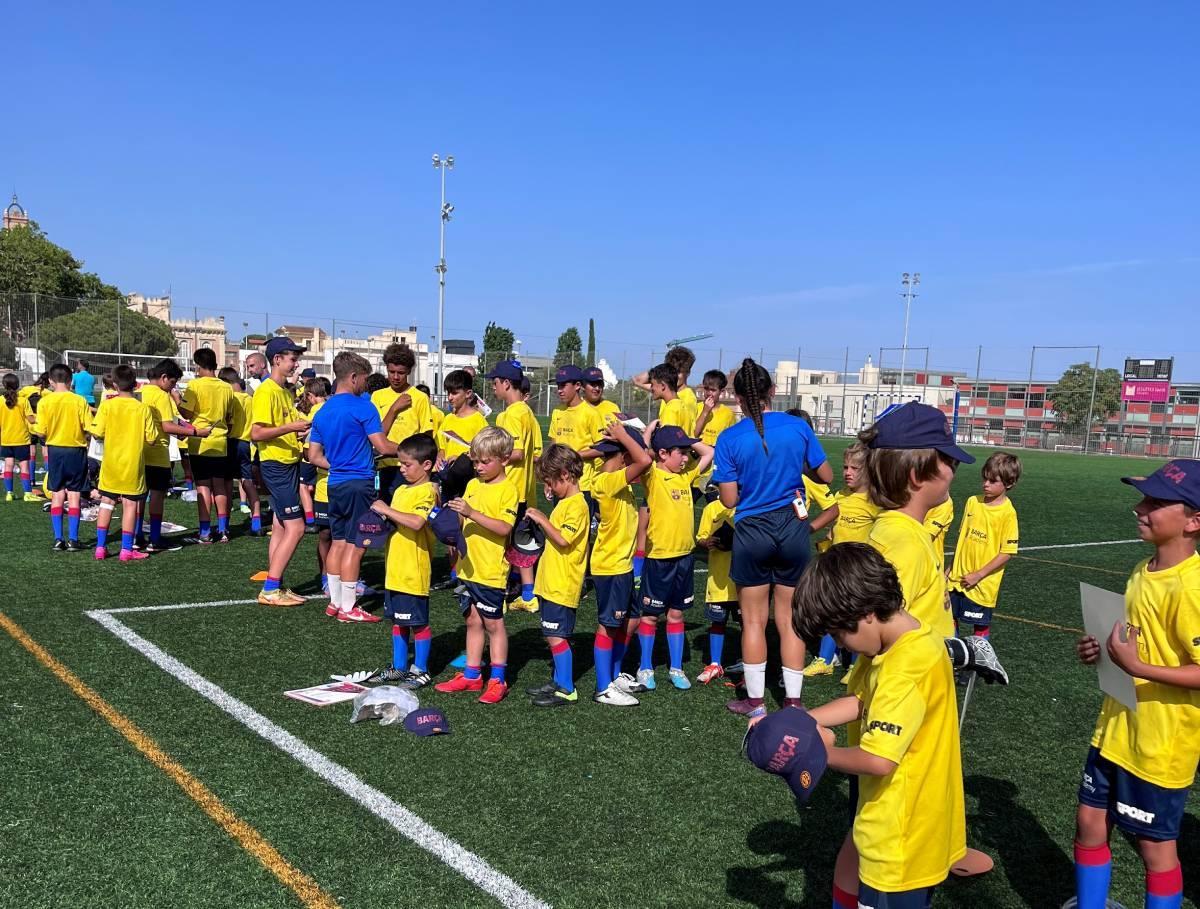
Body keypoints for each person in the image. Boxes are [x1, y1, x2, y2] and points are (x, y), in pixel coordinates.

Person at [795, 542, 966, 908]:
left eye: (840, 635)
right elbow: (861, 702)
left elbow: (878, 759)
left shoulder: (903, 669)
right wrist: (803, 719)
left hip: (899, 835)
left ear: (867, 612)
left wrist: (822, 753)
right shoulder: (903, 642)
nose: (843, 645)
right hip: (908, 821)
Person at [1071, 460, 1200, 909]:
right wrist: (1102, 652)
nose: (1139, 508)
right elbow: (1134, 645)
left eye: (1156, 502)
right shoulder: (1142, 571)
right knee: (1089, 822)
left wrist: (1139, 667)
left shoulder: (1192, 588)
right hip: (1115, 730)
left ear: (1194, 520)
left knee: (1155, 849)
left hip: (1159, 745)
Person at [714, 358, 832, 716]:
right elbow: (826, 475)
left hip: (753, 530)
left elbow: (730, 500)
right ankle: (794, 702)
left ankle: (755, 703)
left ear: (737, 398)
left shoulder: (730, 437)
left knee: (752, 620)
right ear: (772, 392)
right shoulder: (797, 427)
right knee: (789, 619)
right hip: (793, 528)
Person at [307, 352, 397, 624]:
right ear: (354, 377)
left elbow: (313, 456)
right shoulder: (363, 407)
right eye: (365, 379)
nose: (366, 385)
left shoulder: (323, 411)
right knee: (357, 546)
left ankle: (336, 603)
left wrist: (336, 466)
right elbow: (382, 446)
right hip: (360, 484)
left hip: (335, 484)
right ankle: (348, 606)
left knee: (338, 542)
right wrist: (410, 449)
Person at [435, 427, 518, 704]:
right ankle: (472, 675)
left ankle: (497, 678)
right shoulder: (472, 485)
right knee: (471, 620)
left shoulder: (508, 489)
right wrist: (447, 521)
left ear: (504, 459)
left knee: (494, 624)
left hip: (490, 571)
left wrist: (472, 513)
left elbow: (504, 527)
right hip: (467, 567)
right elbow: (461, 520)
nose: (479, 467)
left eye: (485, 462)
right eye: (475, 462)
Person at [636, 424, 713, 690]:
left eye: (686, 452)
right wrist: (648, 434)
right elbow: (643, 458)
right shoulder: (653, 476)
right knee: (649, 615)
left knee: (677, 615)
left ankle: (676, 667)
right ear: (663, 453)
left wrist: (688, 438)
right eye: (680, 452)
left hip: (685, 558)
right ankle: (645, 667)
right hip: (659, 559)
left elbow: (708, 452)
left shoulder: (686, 475)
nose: (685, 457)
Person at [587, 420, 652, 705]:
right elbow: (646, 459)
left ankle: (614, 676)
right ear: (625, 455)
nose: (602, 460)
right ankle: (604, 688)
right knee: (608, 625)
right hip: (610, 566)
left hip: (623, 566)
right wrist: (626, 436)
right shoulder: (606, 481)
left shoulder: (619, 483)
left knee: (632, 620)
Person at [804, 441, 881, 677]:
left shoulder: (874, 502)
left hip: (859, 569)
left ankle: (855, 666)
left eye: (854, 469)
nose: (847, 473)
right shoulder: (840, 496)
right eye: (846, 467)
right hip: (837, 566)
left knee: (858, 615)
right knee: (832, 611)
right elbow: (835, 527)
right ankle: (825, 660)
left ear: (867, 471)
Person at [524, 444, 591, 707]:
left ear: (565, 474)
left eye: (551, 481)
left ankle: (567, 688)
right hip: (551, 582)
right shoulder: (565, 502)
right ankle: (558, 679)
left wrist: (542, 518)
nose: (549, 488)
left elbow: (563, 539)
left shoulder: (578, 505)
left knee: (556, 636)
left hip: (563, 584)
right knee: (553, 634)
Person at [371, 433, 439, 689]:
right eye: (400, 463)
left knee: (418, 622)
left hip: (414, 568)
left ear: (427, 465)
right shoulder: (400, 489)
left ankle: (420, 669)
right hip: (395, 568)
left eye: (407, 464)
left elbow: (416, 522)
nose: (402, 468)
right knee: (398, 620)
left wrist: (385, 509)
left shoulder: (428, 491)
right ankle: (399, 667)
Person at [250, 337, 312, 607]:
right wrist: (291, 428)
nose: (295, 363)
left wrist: (298, 433)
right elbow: (257, 433)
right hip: (276, 465)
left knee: (279, 526)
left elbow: (280, 428)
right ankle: (270, 588)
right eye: (292, 358)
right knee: (296, 528)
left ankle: (275, 583)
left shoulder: (284, 392)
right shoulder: (267, 392)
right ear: (277, 360)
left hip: (286, 462)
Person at [89, 365, 163, 562]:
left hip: (111, 464)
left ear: (114, 385)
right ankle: (126, 550)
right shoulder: (143, 409)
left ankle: (100, 547)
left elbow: (96, 432)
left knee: (106, 503)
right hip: (133, 466)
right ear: (136, 385)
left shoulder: (107, 405)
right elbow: (152, 439)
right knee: (130, 505)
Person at [488, 359, 543, 612]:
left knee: (503, 542)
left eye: (495, 382)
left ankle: (498, 595)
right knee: (520, 543)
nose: (493, 388)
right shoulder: (527, 412)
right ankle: (528, 595)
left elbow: (517, 452)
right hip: (524, 489)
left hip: (510, 489)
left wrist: (488, 456)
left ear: (506, 383)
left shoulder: (512, 413)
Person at [948, 452, 1021, 639]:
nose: (985, 484)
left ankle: (979, 666)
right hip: (956, 580)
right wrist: (949, 570)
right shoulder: (973, 502)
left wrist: (979, 575)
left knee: (979, 631)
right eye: (984, 478)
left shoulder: (1007, 513)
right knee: (948, 620)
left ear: (1009, 483)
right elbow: (962, 539)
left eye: (992, 481)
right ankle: (953, 662)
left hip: (981, 585)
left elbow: (1007, 552)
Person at [141, 360, 208, 552]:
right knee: (157, 495)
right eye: (172, 383)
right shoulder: (162, 395)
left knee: (139, 496)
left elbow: (169, 420)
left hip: (140, 451)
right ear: (163, 378)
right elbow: (166, 425)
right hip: (157, 452)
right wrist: (196, 433)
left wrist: (186, 427)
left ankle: (138, 536)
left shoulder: (142, 392)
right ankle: (154, 538)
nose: (172, 388)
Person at [179, 348, 234, 544]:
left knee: (203, 486)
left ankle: (204, 531)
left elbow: (186, 413)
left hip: (200, 442)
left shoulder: (195, 385)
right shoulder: (227, 387)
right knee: (219, 485)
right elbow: (229, 414)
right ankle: (223, 529)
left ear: (199, 365)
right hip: (220, 441)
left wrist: (177, 400)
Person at [37, 364, 93, 551]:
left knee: (57, 493)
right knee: (74, 494)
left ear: (51, 381)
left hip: (55, 451)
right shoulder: (79, 401)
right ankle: (74, 540)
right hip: (76, 451)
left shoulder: (45, 402)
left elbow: (41, 431)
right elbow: (88, 427)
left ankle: (58, 538)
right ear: (71, 381)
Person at [371, 343, 433, 499]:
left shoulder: (420, 398)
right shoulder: (378, 396)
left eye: (401, 373)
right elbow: (378, 434)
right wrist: (393, 409)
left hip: (409, 469)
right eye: (391, 372)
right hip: (383, 466)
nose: (396, 377)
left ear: (409, 372)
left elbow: (426, 439)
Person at [696, 489, 736, 684]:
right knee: (717, 622)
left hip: (742, 581)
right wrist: (708, 541)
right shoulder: (711, 508)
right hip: (717, 580)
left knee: (748, 624)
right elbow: (700, 537)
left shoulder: (745, 506)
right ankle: (714, 664)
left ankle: (747, 663)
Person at [546, 365, 605, 499]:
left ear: (577, 385)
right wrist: (549, 479)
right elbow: (553, 448)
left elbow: (602, 449)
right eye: (558, 386)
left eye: (563, 386)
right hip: (559, 484)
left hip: (581, 486)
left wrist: (573, 455)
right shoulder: (557, 412)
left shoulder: (591, 414)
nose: (560, 390)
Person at [219, 367, 263, 535]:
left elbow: (228, 422)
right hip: (246, 444)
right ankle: (256, 521)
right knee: (248, 481)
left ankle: (225, 526)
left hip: (231, 442)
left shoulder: (230, 399)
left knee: (228, 483)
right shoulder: (250, 399)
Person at [693, 369, 736, 492]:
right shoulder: (696, 408)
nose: (709, 393)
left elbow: (730, 441)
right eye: (706, 389)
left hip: (714, 473)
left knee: (715, 507)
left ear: (721, 392)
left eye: (713, 390)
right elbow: (693, 434)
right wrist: (705, 411)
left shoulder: (727, 414)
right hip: (696, 469)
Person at [1, 373, 39, 501]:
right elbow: (31, 419)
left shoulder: (0, 400)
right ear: (17, 385)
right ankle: (28, 493)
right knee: (24, 466)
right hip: (21, 439)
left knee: (8, 465)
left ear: (4, 385)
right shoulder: (23, 401)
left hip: (6, 439)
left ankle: (9, 493)